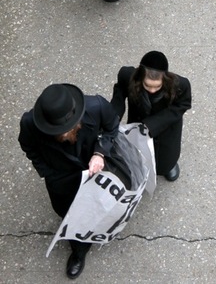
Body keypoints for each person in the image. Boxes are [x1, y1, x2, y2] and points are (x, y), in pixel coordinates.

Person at [19, 83, 120, 279]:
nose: (64, 134)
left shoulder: (97, 106)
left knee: (99, 207)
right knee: (70, 216)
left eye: (68, 128)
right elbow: (28, 147)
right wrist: (48, 172)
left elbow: (112, 127)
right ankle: (79, 250)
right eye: (57, 131)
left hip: (94, 170)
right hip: (61, 180)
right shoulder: (29, 123)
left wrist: (100, 153)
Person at [111, 51, 192, 181]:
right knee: (138, 152)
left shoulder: (180, 85)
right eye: (147, 85)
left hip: (165, 126)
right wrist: (111, 121)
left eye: (157, 86)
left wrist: (151, 124)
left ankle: (167, 167)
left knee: (166, 155)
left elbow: (182, 106)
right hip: (138, 121)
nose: (152, 90)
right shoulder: (127, 76)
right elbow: (118, 100)